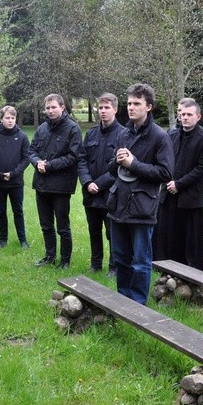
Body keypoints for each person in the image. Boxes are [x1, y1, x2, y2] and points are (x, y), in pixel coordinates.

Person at [107, 83, 174, 304]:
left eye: (137, 103)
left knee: (140, 261)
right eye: (129, 103)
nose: (131, 108)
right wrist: (116, 161)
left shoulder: (160, 137)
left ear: (149, 107)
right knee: (121, 258)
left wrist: (134, 163)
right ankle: (122, 300)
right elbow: (111, 169)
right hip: (119, 205)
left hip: (143, 207)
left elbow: (165, 173)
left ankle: (137, 305)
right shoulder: (123, 134)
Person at [152, 99, 203, 272]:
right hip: (167, 192)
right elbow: (162, 160)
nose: (184, 118)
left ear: (198, 116)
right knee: (166, 232)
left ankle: (191, 268)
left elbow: (201, 168)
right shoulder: (170, 135)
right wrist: (167, 181)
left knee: (190, 235)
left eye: (189, 115)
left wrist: (179, 184)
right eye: (182, 114)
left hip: (190, 195)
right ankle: (163, 265)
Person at [29, 93, 83, 269]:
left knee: (62, 226)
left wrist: (50, 165)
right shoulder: (42, 128)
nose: (51, 111)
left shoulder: (73, 129)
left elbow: (74, 156)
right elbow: (31, 150)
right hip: (42, 184)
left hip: (61, 185)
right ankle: (49, 256)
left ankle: (65, 260)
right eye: (48, 108)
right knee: (46, 225)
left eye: (54, 107)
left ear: (62, 107)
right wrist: (37, 163)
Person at [79, 93, 124, 275]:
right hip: (90, 193)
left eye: (107, 108)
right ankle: (96, 264)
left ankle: (114, 267)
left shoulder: (123, 134)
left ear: (115, 109)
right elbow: (81, 160)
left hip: (111, 193)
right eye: (100, 108)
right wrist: (87, 182)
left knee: (112, 233)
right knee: (94, 231)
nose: (103, 111)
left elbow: (121, 167)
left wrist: (99, 183)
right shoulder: (91, 134)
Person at [0, 105, 31, 249]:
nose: (10, 121)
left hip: (16, 181)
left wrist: (14, 173)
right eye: (7, 118)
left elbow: (26, 157)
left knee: (18, 210)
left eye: (13, 118)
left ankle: (23, 240)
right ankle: (3, 240)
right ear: (1, 119)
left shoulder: (22, 136)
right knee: (1, 211)